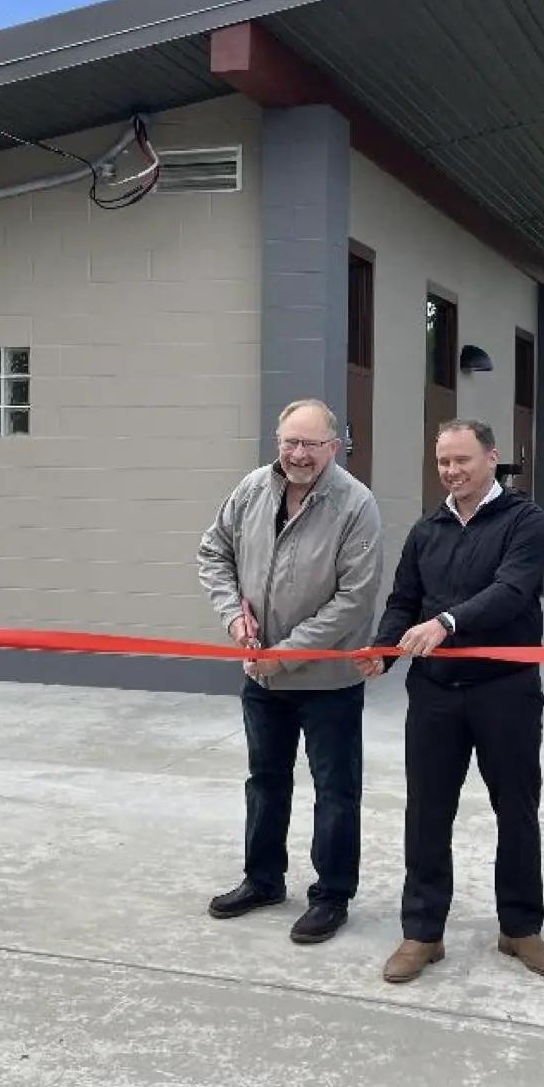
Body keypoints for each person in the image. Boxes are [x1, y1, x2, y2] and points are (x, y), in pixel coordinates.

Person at [362, 419, 544, 985]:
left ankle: (520, 928)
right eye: (443, 463)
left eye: (463, 461)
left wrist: (447, 623)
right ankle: (422, 933)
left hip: (506, 693)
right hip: (434, 695)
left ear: (492, 458)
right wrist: (385, 650)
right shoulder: (427, 530)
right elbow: (404, 600)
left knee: (517, 811)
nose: (452, 472)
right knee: (427, 814)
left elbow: (510, 591)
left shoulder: (526, 521)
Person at [198, 399, 383, 945]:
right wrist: (235, 619)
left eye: (311, 444)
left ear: (335, 446)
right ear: (278, 440)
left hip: (328, 683)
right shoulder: (253, 488)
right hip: (262, 677)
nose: (299, 455)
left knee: (336, 791)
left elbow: (354, 600)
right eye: (290, 442)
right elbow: (214, 552)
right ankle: (263, 880)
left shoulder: (355, 505)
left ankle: (331, 896)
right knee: (266, 783)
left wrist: (286, 653)